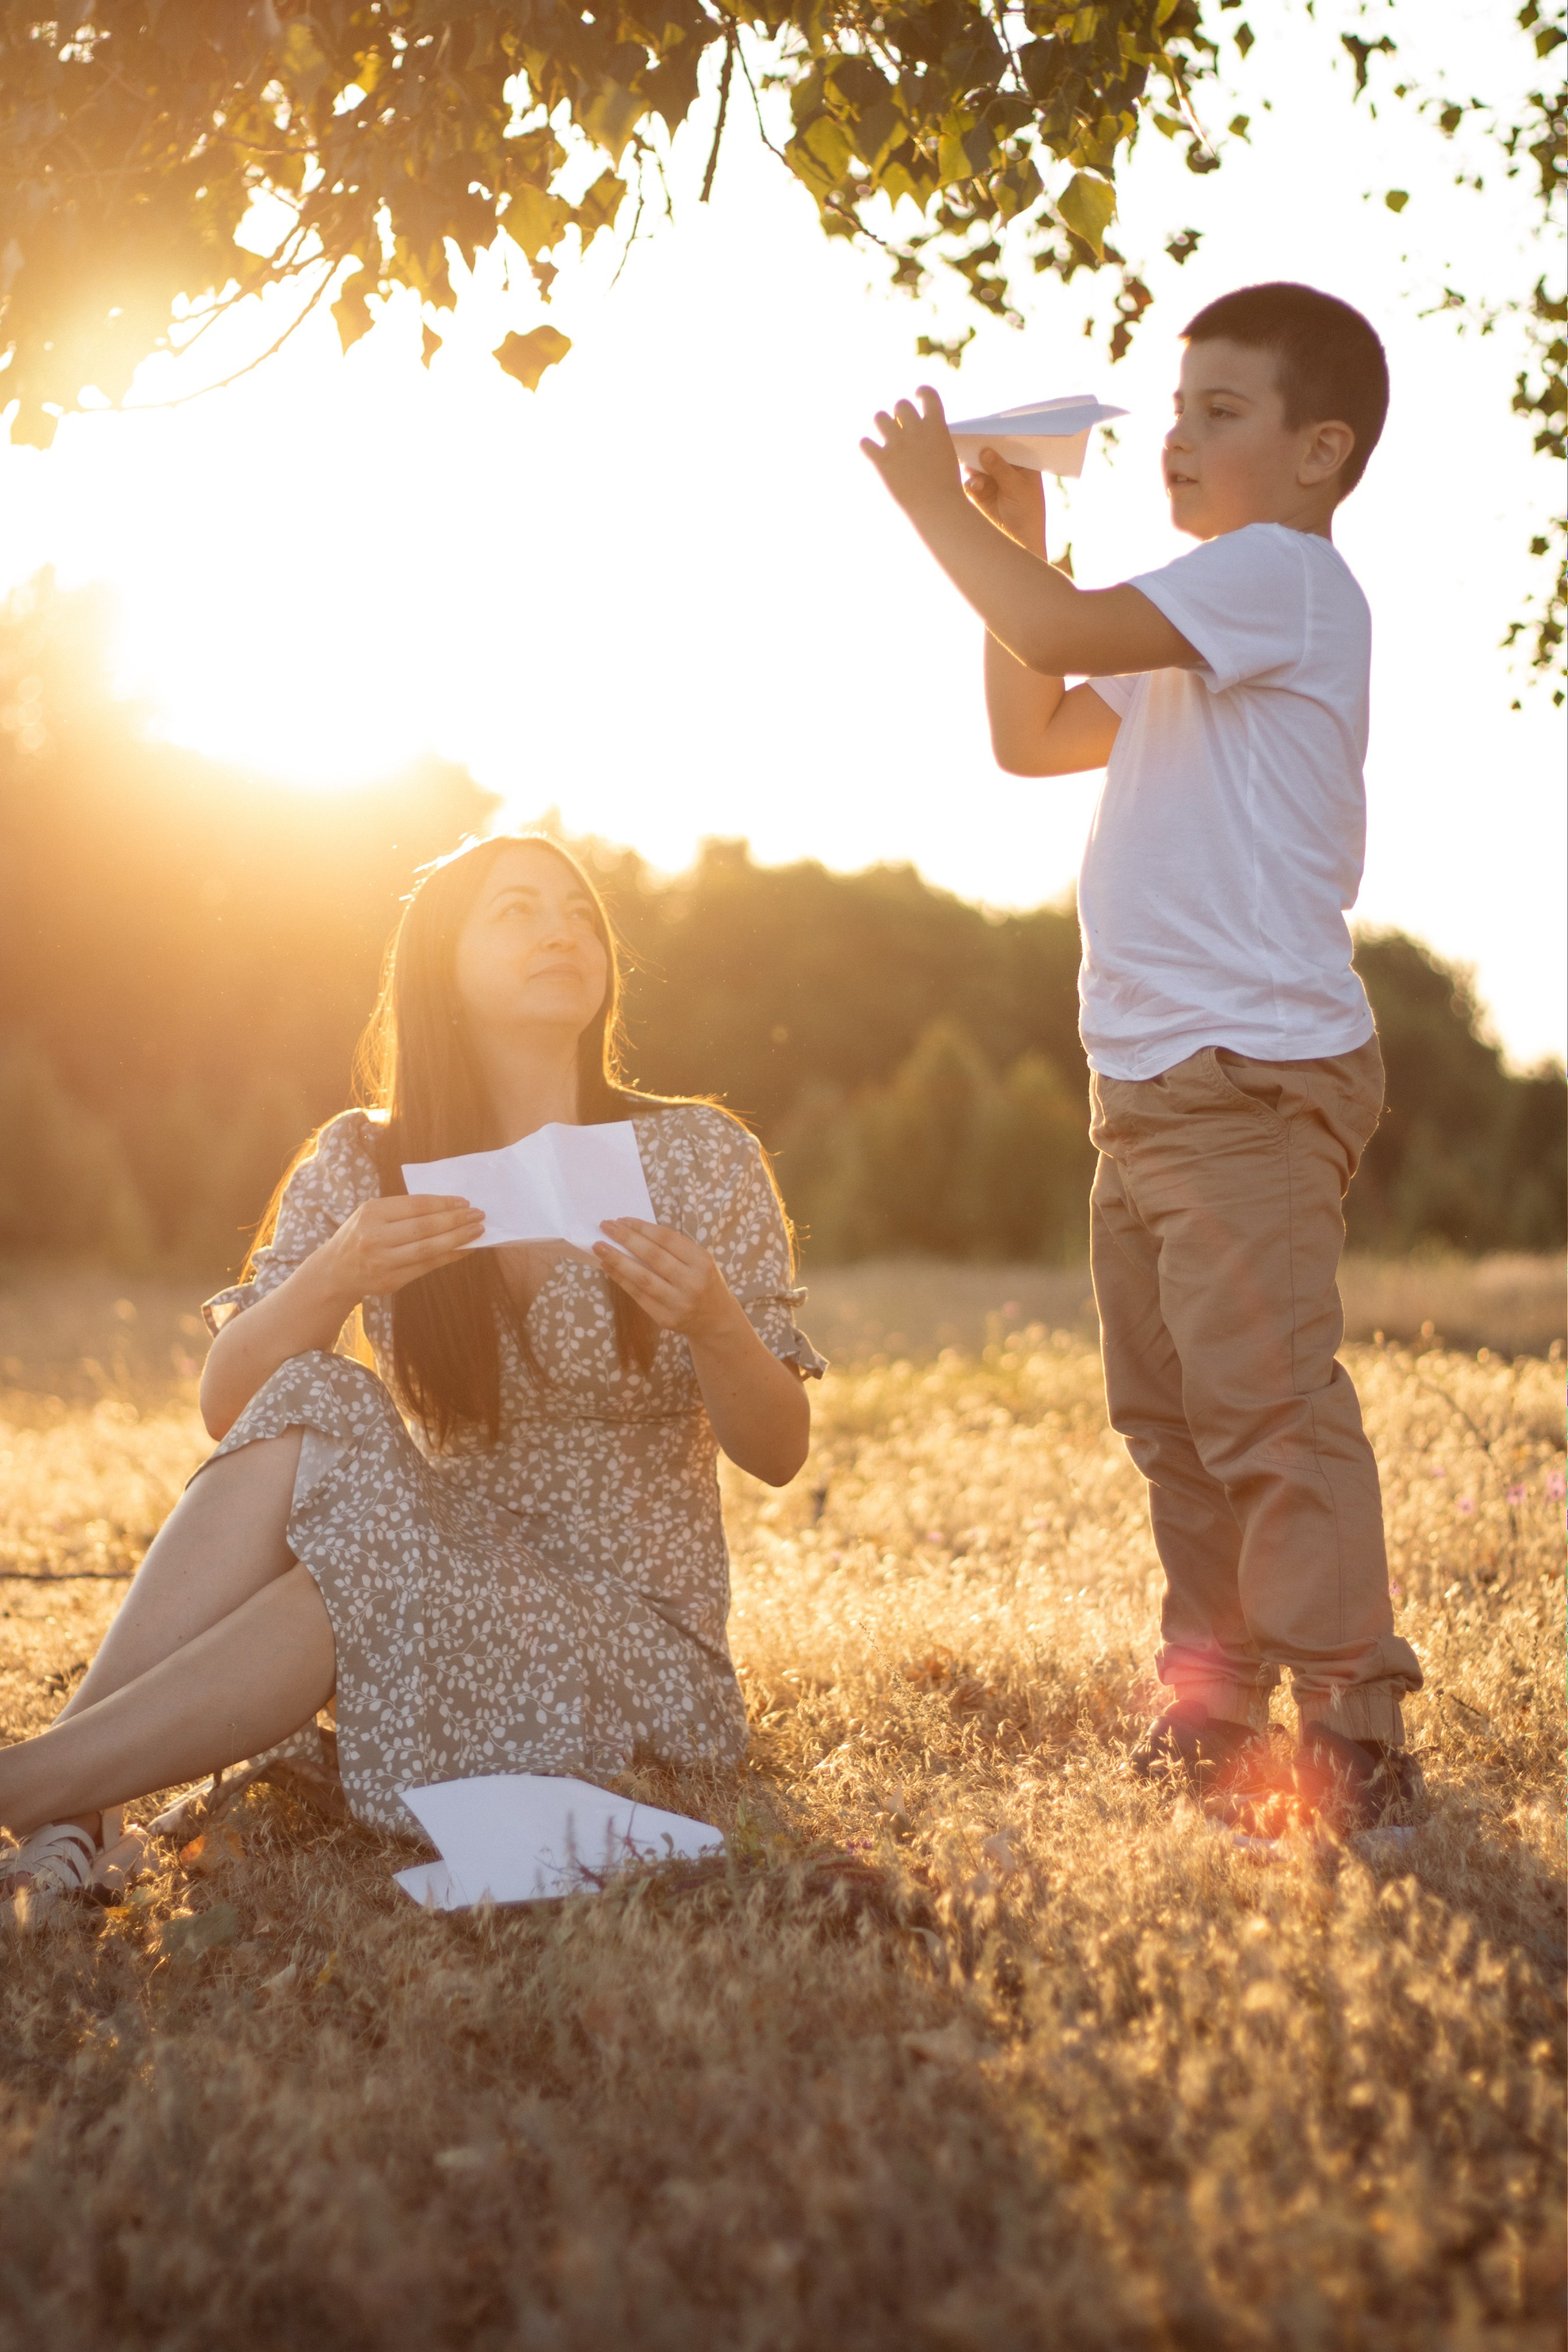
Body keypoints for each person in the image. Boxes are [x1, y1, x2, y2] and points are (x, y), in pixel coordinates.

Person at [0, 834, 822, 1897]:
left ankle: (30, 1794)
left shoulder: (701, 1155)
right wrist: (333, 1274)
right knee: (312, 1391)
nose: (561, 931)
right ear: (440, 964)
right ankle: (70, 1800)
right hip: (430, 1563)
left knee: (362, 1569)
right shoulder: (362, 1157)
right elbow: (233, 1410)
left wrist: (716, 1323)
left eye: (579, 913)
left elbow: (779, 1454)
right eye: (517, 912)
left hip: (635, 1639)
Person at [862, 281, 1422, 1828]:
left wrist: (942, 513)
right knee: (1172, 1416)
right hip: (1150, 1084)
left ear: (1319, 453)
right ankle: (1214, 1699)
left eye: (1217, 414)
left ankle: (1354, 1721)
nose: (1175, 439)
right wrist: (1022, 532)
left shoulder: (1279, 581)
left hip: (1248, 1072)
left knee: (1263, 1408)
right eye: (1171, 413)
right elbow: (1031, 725)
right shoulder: (1197, 614)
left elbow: (1042, 629)